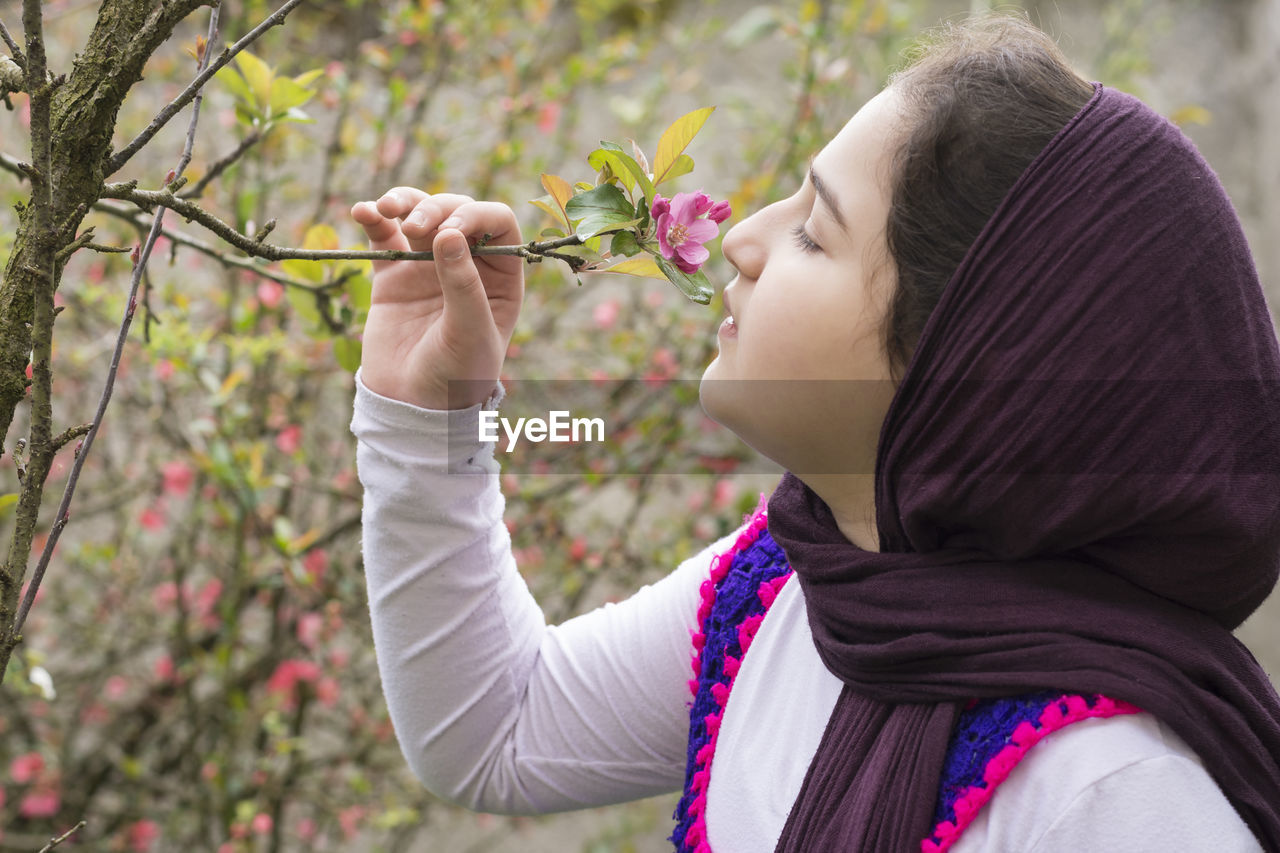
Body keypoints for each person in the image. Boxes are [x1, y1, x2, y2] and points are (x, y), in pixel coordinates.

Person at [347, 12, 1280, 852]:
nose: (743, 238)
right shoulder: (794, 588)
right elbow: (501, 730)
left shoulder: (1108, 796)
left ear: (962, 367)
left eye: (813, 231)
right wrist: (426, 409)